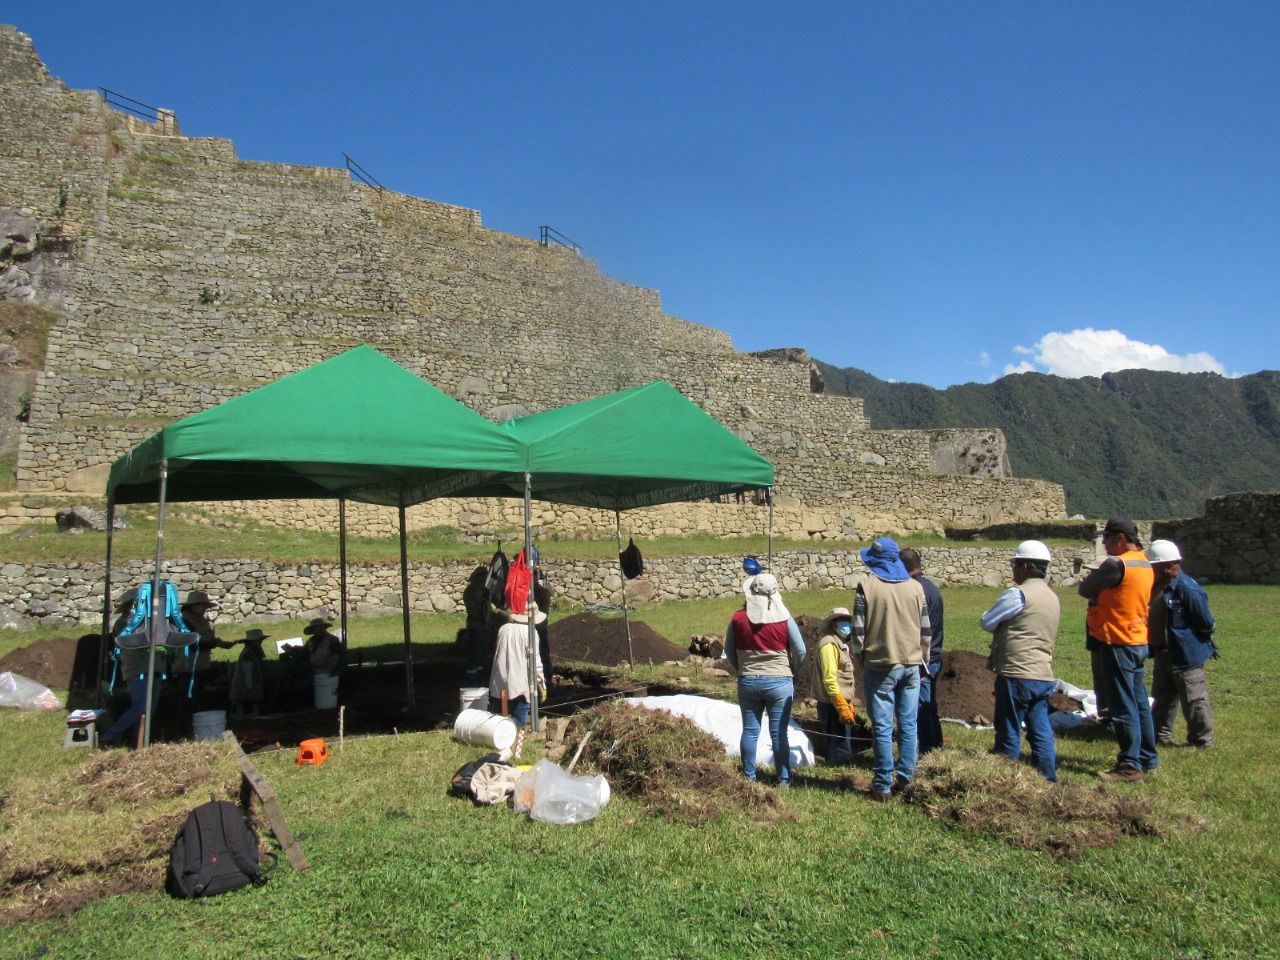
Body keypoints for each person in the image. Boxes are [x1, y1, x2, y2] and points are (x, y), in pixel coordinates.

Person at [1079, 517, 1157, 782]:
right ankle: (1148, 757)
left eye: (1107, 538)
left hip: (1117, 640)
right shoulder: (1144, 563)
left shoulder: (1116, 565)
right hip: (1137, 638)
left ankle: (1129, 765)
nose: (1104, 543)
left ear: (1120, 539)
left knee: (1122, 706)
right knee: (1139, 704)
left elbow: (1085, 589)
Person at [854, 537, 931, 800]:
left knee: (883, 727)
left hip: (880, 664)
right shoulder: (916, 588)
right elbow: (925, 631)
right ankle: (907, 778)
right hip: (911, 663)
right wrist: (924, 662)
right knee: (909, 724)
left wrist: (859, 657)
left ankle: (882, 783)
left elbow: (859, 632)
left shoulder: (866, 587)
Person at [980, 541, 1062, 782]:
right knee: (1041, 729)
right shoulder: (1052, 597)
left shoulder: (1018, 594)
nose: (1013, 569)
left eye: (1014, 564)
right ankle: (1047, 777)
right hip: (1043, 672)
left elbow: (987, 621)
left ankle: (1006, 777)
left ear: (1025, 566)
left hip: (1017, 671)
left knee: (1009, 728)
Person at [725, 571, 806, 785]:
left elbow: (729, 651)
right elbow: (800, 650)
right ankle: (783, 779)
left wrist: (742, 668)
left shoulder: (737, 619)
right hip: (779, 680)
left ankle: (749, 777)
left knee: (750, 730)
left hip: (749, 680)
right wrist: (792, 671)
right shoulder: (784, 618)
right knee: (779, 733)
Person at [1146, 539, 1216, 748]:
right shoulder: (1159, 587)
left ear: (1168, 567)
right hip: (1163, 652)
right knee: (1162, 699)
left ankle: (1201, 741)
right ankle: (1159, 736)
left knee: (1194, 700)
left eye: (1154, 567)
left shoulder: (1187, 588)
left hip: (1185, 654)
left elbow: (1205, 622)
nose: (1151, 570)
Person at [100, 588, 162, 747]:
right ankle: (109, 737)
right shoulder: (124, 623)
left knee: (149, 711)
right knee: (139, 707)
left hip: (153, 667)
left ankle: (138, 741)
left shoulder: (148, 621)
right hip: (136, 668)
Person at [901, 547, 944, 754]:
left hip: (923, 658)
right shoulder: (931, 587)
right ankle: (935, 747)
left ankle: (928, 753)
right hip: (934, 655)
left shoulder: (916, 591)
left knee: (921, 710)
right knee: (929, 708)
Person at [173, 590, 235, 729]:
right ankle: (184, 727)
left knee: (198, 699)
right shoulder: (184, 622)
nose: (204, 609)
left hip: (201, 665)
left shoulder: (203, 621)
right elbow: (192, 645)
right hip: (187, 667)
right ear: (194, 606)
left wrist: (220, 643)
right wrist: (215, 644)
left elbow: (207, 640)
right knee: (187, 700)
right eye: (202, 606)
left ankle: (194, 727)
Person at [807, 606, 857, 764]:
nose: (846, 624)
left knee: (842, 743)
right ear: (833, 624)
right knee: (837, 746)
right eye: (842, 621)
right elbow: (829, 679)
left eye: (848, 621)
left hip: (839, 701)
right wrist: (841, 704)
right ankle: (836, 771)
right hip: (831, 703)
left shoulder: (840, 644)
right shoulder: (829, 645)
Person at [489, 604, 546, 727]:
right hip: (521, 683)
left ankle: (498, 728)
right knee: (519, 721)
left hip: (501, 682)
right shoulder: (530, 633)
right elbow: (535, 661)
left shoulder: (503, 628)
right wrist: (541, 684)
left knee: (502, 714)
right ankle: (501, 729)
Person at [229, 628, 268, 717]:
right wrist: (250, 690)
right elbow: (247, 674)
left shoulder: (251, 652)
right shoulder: (248, 655)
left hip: (248, 687)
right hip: (243, 689)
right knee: (244, 711)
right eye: (258, 641)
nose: (260, 643)